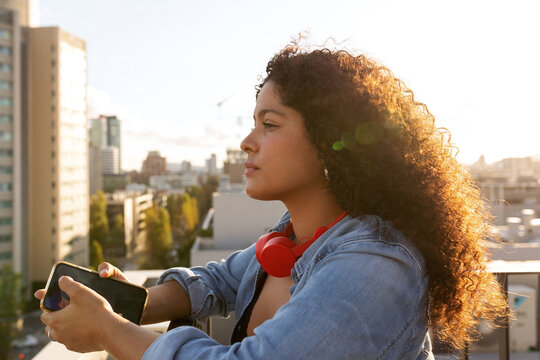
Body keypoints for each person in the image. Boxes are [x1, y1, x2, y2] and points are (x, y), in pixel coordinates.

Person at [35, 40, 507, 359]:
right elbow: (215, 280)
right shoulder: (289, 237)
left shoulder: (376, 263)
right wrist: (125, 303)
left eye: (270, 124)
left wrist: (110, 331)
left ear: (331, 143)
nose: (247, 141)